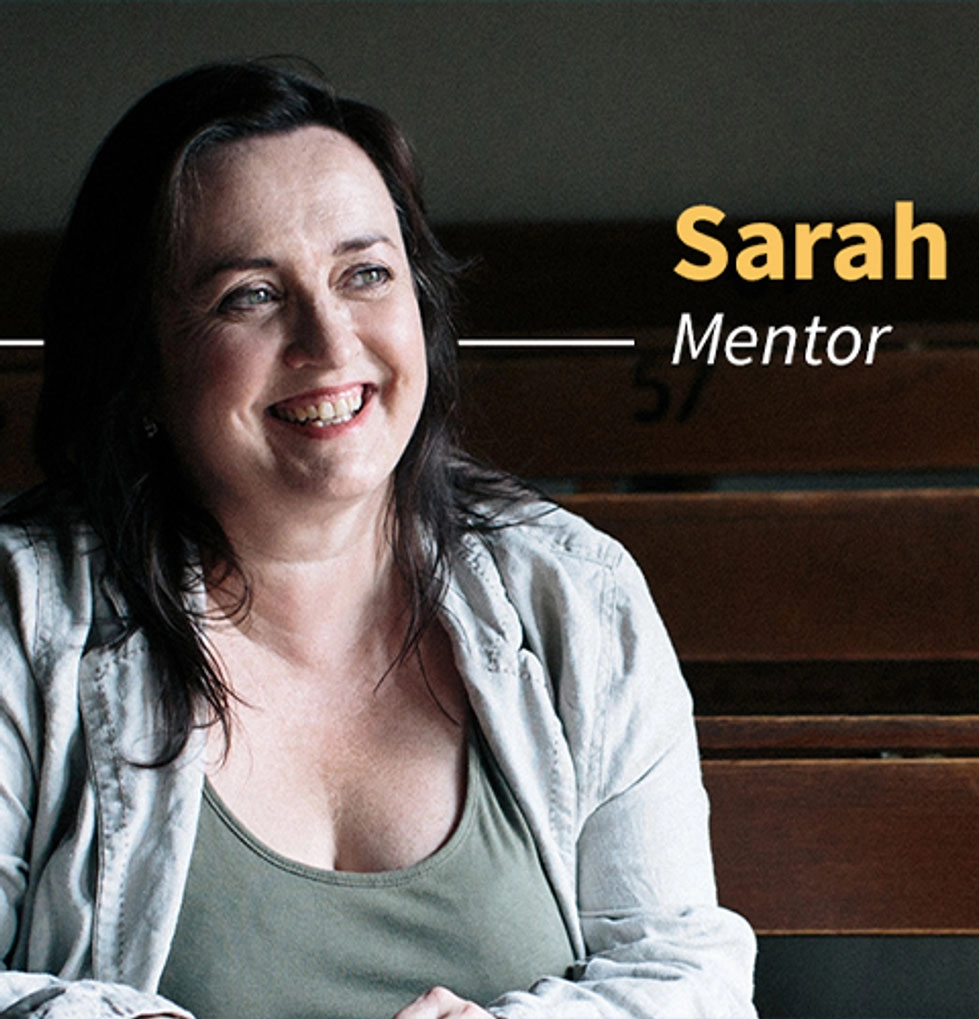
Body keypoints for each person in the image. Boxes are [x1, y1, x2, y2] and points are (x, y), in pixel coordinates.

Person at [0, 61, 756, 1019]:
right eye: (249, 295)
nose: (328, 339)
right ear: (141, 362)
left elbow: (687, 972)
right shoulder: (22, 614)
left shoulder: (573, 592)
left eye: (364, 274)